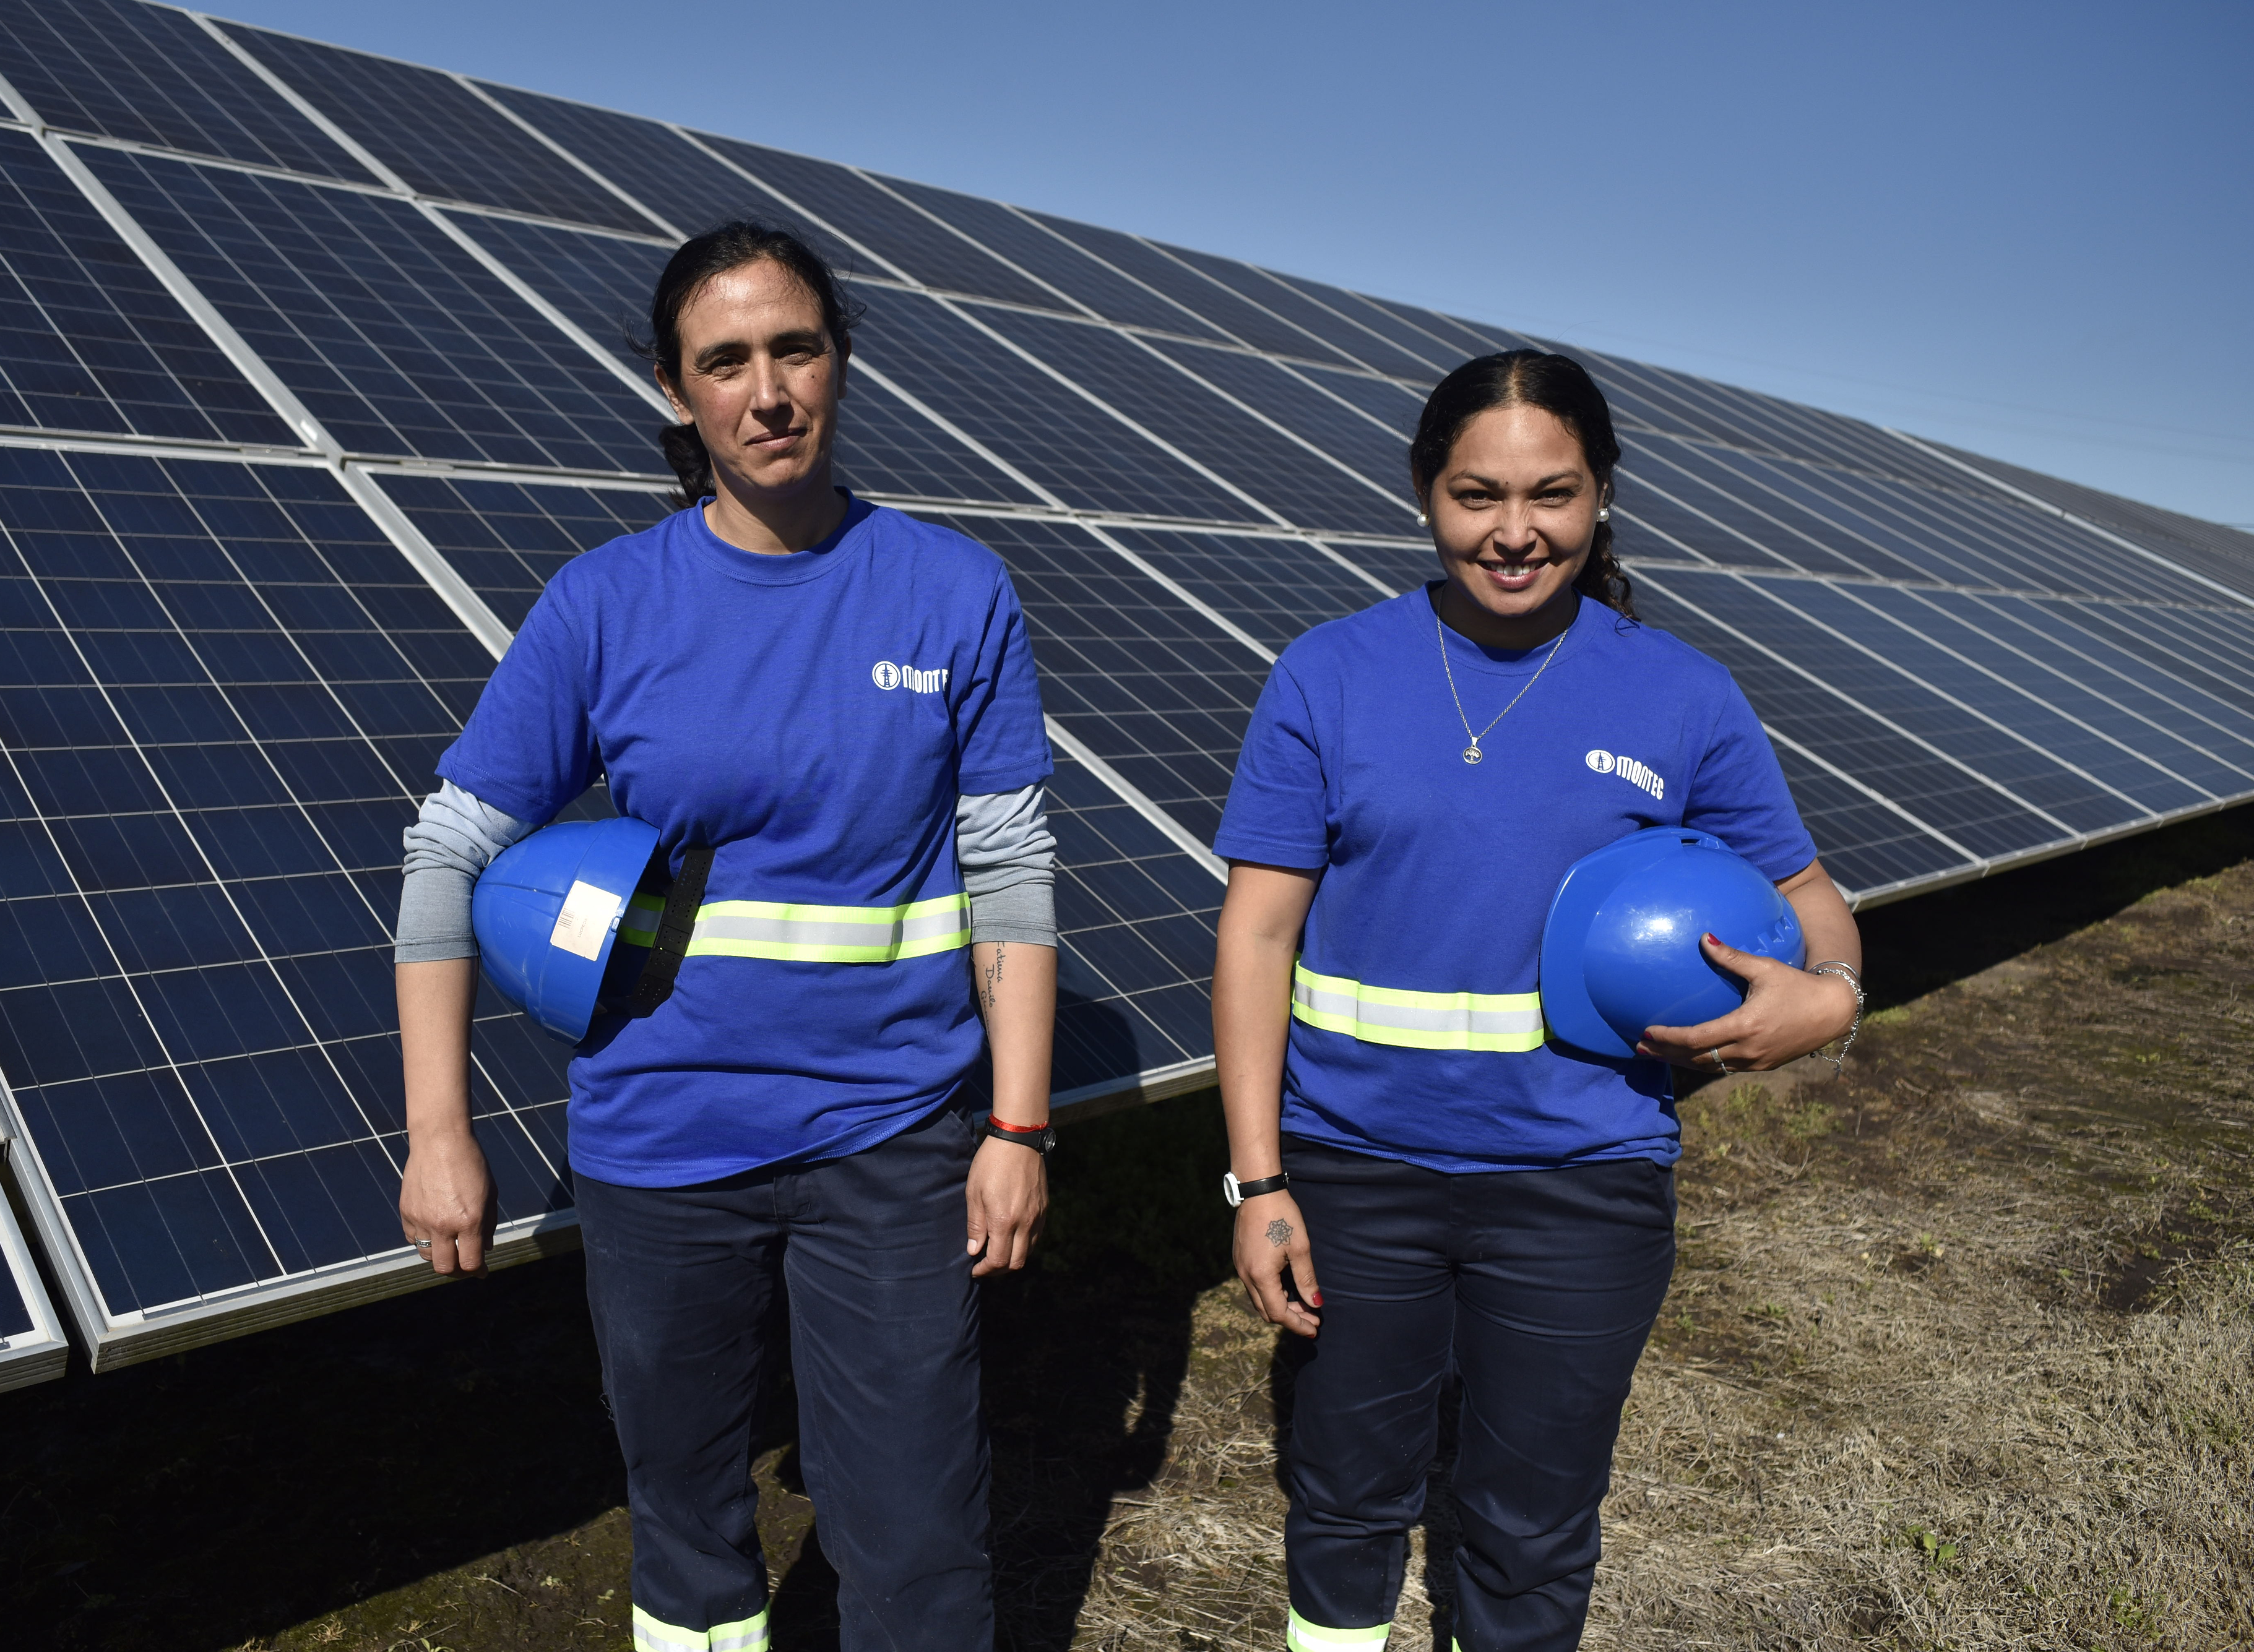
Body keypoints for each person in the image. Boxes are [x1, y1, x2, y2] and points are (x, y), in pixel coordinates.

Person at [391, 222, 1061, 1652]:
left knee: (920, 1540)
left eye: (795, 349)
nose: (767, 391)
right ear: (675, 389)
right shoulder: (605, 603)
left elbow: (1006, 872)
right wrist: (437, 1128)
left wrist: (1016, 1127)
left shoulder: (952, 593)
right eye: (725, 361)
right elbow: (448, 851)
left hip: (889, 1142)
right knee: (688, 1531)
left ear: (839, 361)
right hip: (659, 1151)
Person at [1209, 350, 1863, 1652]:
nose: (1513, 533)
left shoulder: (1678, 693)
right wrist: (1256, 1181)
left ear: (1603, 496)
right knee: (1342, 1498)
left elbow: (1811, 899)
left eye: (1551, 495)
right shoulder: (1327, 675)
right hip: (1353, 1176)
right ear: (1421, 495)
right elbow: (1255, 933)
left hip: (1580, 1185)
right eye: (1475, 495)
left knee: (1531, 1520)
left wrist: (1828, 999)